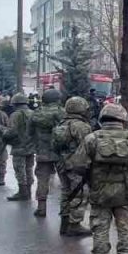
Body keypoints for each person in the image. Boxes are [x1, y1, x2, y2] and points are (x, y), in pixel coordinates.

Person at [67, 103, 128, 254]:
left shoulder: (92, 138)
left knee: (100, 230)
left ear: (102, 118)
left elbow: (78, 166)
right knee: (125, 230)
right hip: (125, 194)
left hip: (99, 194)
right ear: (123, 119)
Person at [52, 97, 94, 237]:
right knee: (79, 193)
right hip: (76, 165)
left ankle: (65, 221)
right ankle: (74, 224)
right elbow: (88, 146)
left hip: (61, 163)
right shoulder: (81, 126)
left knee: (66, 191)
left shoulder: (61, 123)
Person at [31, 90, 65, 219]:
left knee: (42, 180)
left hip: (42, 152)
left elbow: (30, 132)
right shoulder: (61, 112)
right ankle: (65, 211)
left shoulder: (37, 112)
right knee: (65, 182)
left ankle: (41, 208)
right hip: (59, 152)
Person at [4, 93, 36, 203]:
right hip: (31, 147)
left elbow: (11, 131)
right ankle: (29, 191)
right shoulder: (33, 113)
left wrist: (5, 135)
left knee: (19, 170)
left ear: (15, 103)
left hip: (19, 146)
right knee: (29, 169)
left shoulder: (15, 115)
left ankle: (23, 193)